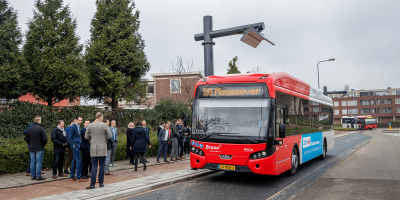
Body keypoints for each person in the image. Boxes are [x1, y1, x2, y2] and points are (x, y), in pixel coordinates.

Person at [85, 112, 112, 189]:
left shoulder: (90, 125)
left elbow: (86, 136)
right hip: (102, 147)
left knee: (94, 166)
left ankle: (92, 184)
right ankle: (101, 183)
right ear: (100, 117)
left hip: (93, 147)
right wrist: (104, 138)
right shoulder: (104, 125)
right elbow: (110, 135)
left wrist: (92, 138)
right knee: (102, 165)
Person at [67, 116, 87, 182]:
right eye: (79, 120)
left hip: (78, 145)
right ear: (76, 120)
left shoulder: (78, 127)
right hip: (75, 146)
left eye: (81, 120)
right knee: (79, 161)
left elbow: (78, 136)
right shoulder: (72, 127)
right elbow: (69, 137)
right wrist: (73, 145)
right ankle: (79, 177)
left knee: (74, 161)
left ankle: (72, 176)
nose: (80, 122)